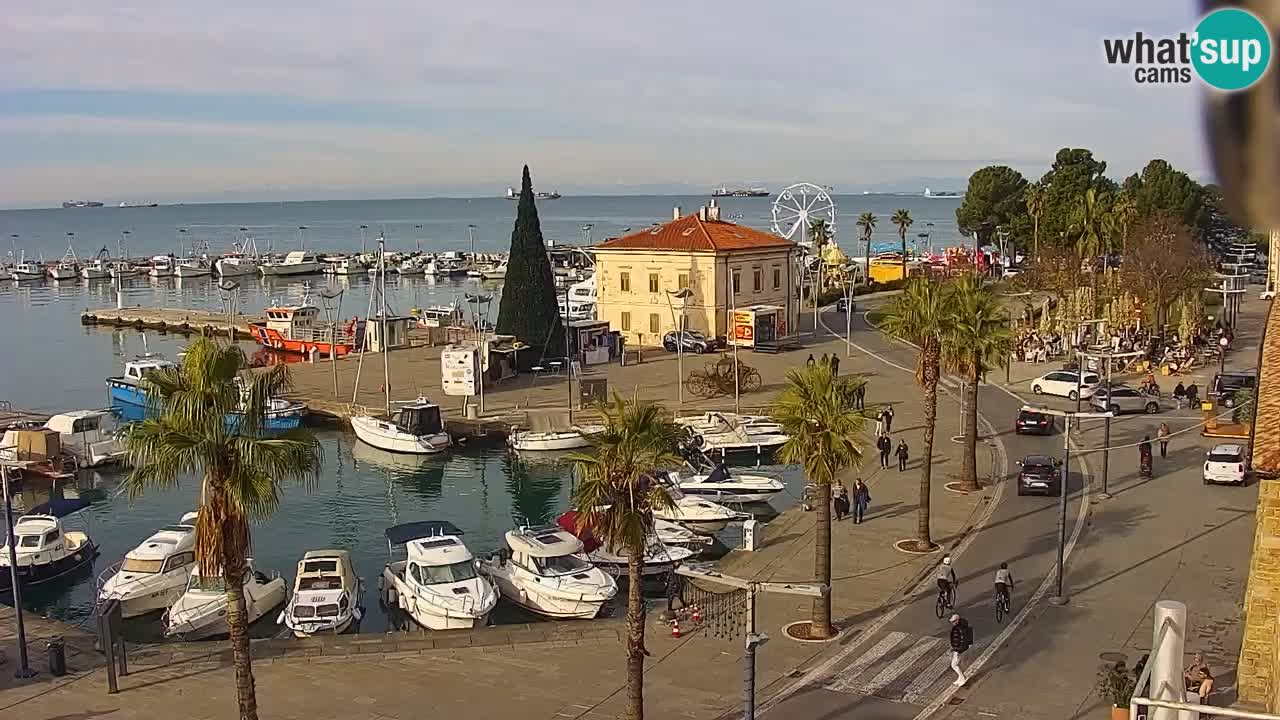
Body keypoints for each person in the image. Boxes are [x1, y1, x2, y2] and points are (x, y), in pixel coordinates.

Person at [949, 613, 973, 686]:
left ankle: (962, 678)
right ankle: (960, 677)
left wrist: (957, 650)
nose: (952, 623)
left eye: (953, 621)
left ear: (957, 621)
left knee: (954, 665)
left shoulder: (959, 629)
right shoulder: (961, 626)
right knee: (956, 664)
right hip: (958, 649)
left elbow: (962, 641)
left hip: (959, 650)